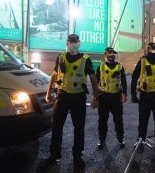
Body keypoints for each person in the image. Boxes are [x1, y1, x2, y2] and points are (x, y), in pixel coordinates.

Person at [45, 34, 99, 168]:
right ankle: (54, 154)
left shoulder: (86, 59)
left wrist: (95, 97)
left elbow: (93, 79)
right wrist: (48, 92)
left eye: (75, 42)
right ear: (67, 43)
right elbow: (54, 74)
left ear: (79, 43)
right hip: (62, 95)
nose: (73, 44)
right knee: (57, 126)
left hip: (78, 97)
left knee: (79, 128)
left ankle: (77, 156)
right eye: (70, 42)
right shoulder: (61, 57)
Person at [95, 47, 127, 149]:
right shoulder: (101, 66)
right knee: (102, 120)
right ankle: (101, 139)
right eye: (110, 54)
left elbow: (124, 81)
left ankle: (120, 139)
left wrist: (124, 94)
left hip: (116, 96)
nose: (112, 56)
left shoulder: (120, 66)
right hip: (103, 96)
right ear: (106, 55)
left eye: (113, 54)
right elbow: (96, 82)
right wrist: (94, 97)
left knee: (118, 120)